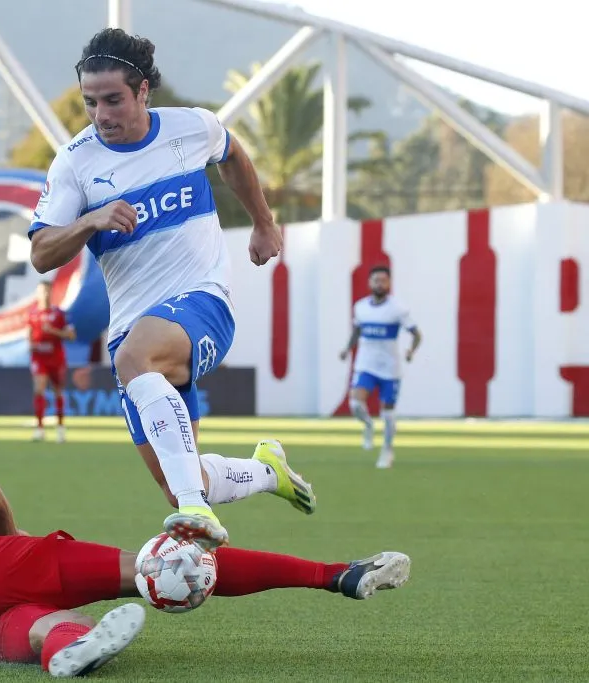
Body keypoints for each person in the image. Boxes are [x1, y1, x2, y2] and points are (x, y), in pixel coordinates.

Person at [27, 27, 306, 552]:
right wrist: (89, 221)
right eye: (90, 102)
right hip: (132, 331)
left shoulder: (192, 127)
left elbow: (233, 155)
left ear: (143, 91)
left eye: (113, 100)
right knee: (180, 478)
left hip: (203, 303)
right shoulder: (75, 162)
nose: (101, 114)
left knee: (136, 364)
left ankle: (195, 510)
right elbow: (42, 253)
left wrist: (264, 223)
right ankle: (267, 472)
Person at [0, 471, 412, 678]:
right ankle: (334, 574)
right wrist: (13, 538)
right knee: (158, 566)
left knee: (50, 628)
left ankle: (68, 647)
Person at [339, 265, 422, 468]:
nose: (380, 284)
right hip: (366, 364)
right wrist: (347, 349)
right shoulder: (360, 307)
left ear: (389, 283)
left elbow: (416, 334)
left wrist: (411, 351)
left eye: (384, 281)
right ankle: (368, 425)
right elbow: (357, 331)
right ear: (370, 283)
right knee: (355, 403)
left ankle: (387, 449)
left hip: (390, 368)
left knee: (388, 413)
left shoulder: (398, 309)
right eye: (376, 280)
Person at [29, 281, 76, 443]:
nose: (45, 295)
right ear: (37, 294)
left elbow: (71, 335)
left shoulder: (60, 314)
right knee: (39, 389)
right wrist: (31, 345)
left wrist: (53, 331)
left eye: (47, 291)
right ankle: (39, 429)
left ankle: (60, 428)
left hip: (56, 358)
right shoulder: (32, 314)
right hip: (39, 358)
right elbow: (29, 333)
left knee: (58, 391)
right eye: (42, 291)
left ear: (51, 293)